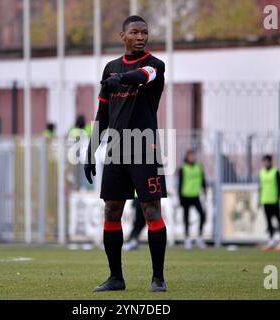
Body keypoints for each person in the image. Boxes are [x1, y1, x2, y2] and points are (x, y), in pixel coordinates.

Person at [84, 15, 167, 292]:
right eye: (135, 32)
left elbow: (142, 76)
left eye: (145, 32)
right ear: (123, 36)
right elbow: (102, 113)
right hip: (117, 148)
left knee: (151, 209)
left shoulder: (155, 65)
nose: (141, 37)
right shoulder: (110, 68)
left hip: (145, 147)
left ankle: (157, 278)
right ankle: (116, 278)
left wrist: (120, 79)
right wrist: (90, 149)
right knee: (111, 211)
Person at [178, 149, 207, 250]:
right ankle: (187, 238)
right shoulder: (183, 168)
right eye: (190, 156)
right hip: (185, 195)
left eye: (193, 156)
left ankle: (199, 237)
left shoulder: (199, 167)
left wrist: (205, 189)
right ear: (187, 157)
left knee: (203, 215)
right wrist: (180, 198)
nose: (192, 158)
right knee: (186, 218)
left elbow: (203, 180)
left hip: (196, 195)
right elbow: (180, 183)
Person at [258, 155, 280, 251]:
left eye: (267, 161)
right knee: (268, 221)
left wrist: (278, 198)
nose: (265, 163)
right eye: (264, 161)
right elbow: (261, 187)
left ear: (270, 162)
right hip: (265, 200)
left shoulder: (275, 172)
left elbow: (279, 186)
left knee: (278, 219)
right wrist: (259, 200)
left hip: (274, 201)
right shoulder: (262, 173)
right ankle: (271, 240)